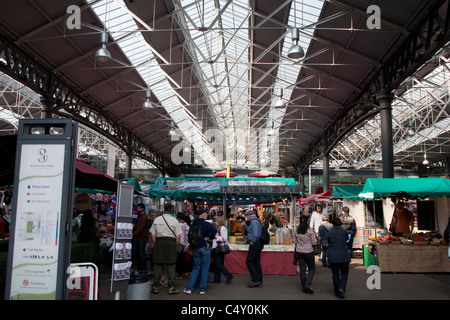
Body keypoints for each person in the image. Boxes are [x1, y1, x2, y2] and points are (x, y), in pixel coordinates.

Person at [150, 203, 182, 295]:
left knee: (158, 265)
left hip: (159, 243)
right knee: (171, 266)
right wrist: (176, 246)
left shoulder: (157, 219)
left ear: (164, 209)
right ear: (171, 210)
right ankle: (171, 287)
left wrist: (157, 243)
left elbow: (152, 234)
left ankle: (155, 286)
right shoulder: (175, 221)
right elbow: (178, 237)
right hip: (171, 243)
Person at [183, 209, 217, 295]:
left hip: (196, 249)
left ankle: (189, 288)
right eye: (205, 213)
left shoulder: (193, 224)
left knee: (195, 268)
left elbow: (190, 237)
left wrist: (193, 246)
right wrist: (209, 237)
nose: (207, 214)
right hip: (205, 248)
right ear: (201, 215)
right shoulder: (207, 224)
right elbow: (214, 232)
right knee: (205, 269)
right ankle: (202, 289)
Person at [326, 217, 351, 299]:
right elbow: (347, 240)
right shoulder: (344, 232)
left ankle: (337, 292)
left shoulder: (331, 232)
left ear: (333, 224)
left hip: (333, 256)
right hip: (343, 256)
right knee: (344, 273)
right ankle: (342, 288)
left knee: (335, 274)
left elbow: (328, 242)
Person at [293, 215, 316, 294]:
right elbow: (314, 242)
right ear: (307, 221)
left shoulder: (297, 230)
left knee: (302, 269)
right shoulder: (310, 231)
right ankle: (308, 284)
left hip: (299, 251)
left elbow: (295, 242)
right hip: (309, 252)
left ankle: (303, 287)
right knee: (311, 268)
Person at [241, 210, 263, 288]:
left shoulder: (254, 222)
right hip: (257, 244)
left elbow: (256, 234)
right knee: (256, 262)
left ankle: (256, 279)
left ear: (250, 215)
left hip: (255, 244)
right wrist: (246, 226)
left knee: (249, 261)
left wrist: (252, 241)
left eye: (247, 216)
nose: (247, 218)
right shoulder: (256, 221)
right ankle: (259, 280)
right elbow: (251, 231)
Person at [211, 216, 233, 284]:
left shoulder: (223, 228)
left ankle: (228, 275)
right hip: (216, 248)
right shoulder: (218, 228)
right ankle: (217, 279)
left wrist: (216, 237)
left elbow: (225, 238)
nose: (215, 223)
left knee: (218, 264)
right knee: (217, 264)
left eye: (216, 221)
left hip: (220, 248)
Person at [132, 203, 149, 271]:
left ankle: (143, 269)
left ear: (143, 208)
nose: (138, 209)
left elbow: (141, 228)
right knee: (136, 252)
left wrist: (133, 234)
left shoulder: (144, 217)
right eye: (137, 208)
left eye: (139, 208)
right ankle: (139, 267)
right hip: (137, 238)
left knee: (141, 253)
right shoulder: (140, 216)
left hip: (141, 238)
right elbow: (139, 226)